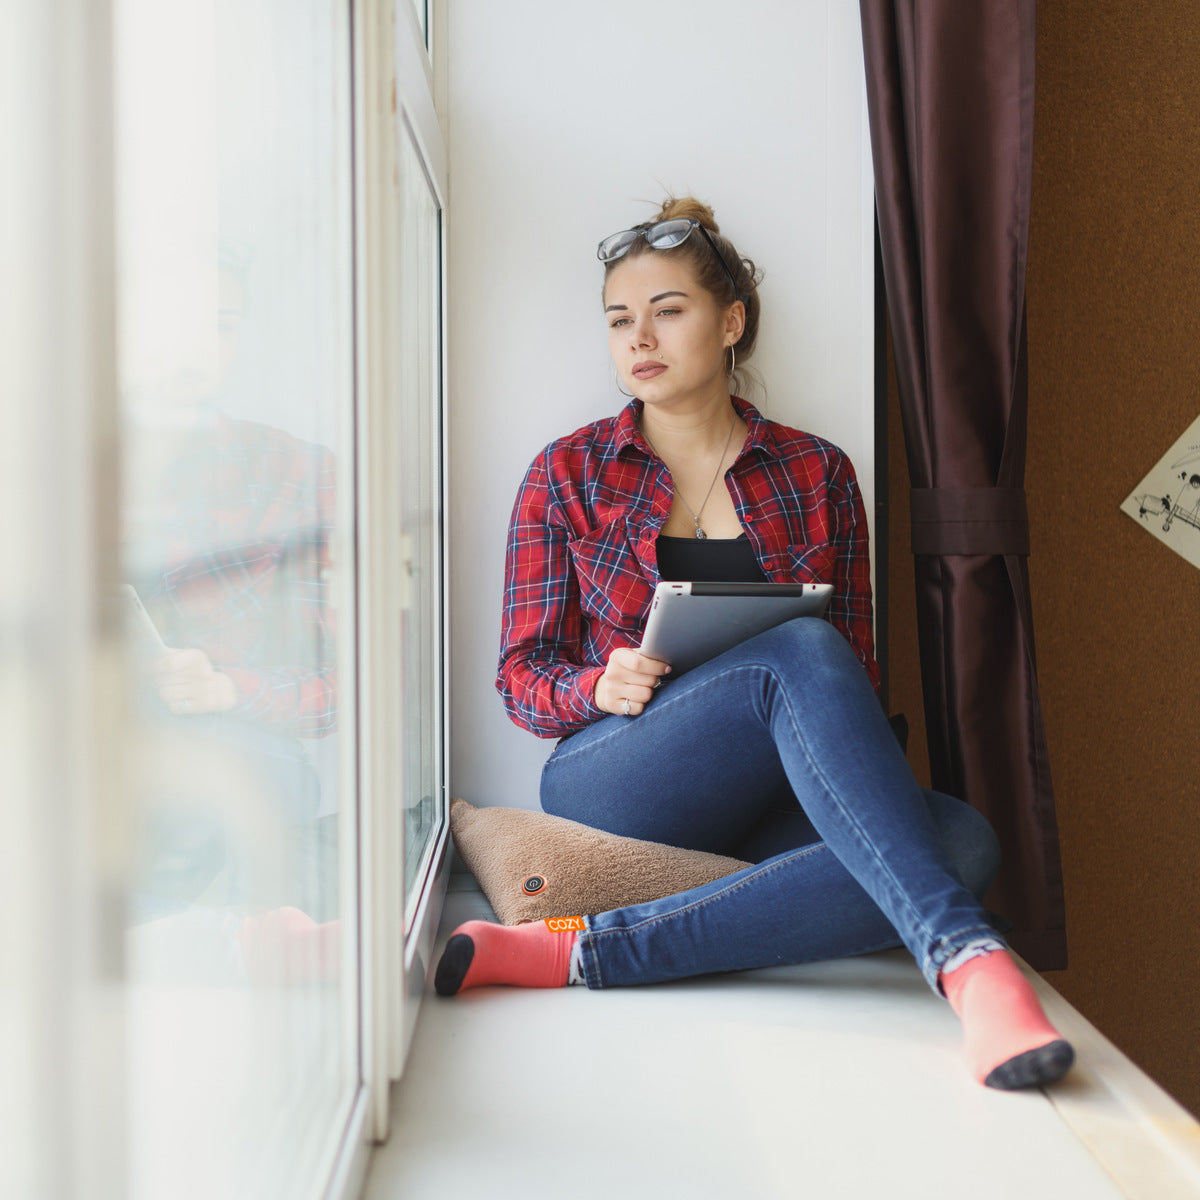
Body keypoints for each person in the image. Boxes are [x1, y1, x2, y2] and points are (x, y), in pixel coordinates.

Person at [434, 197, 1074, 1091]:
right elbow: (520, 674)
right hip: (618, 772)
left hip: (772, 784)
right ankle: (968, 961)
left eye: (668, 311)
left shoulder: (819, 471)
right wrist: (598, 687)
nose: (639, 338)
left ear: (730, 323)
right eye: (620, 319)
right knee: (800, 656)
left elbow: (860, 661)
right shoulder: (567, 471)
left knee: (962, 840)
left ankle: (579, 955)